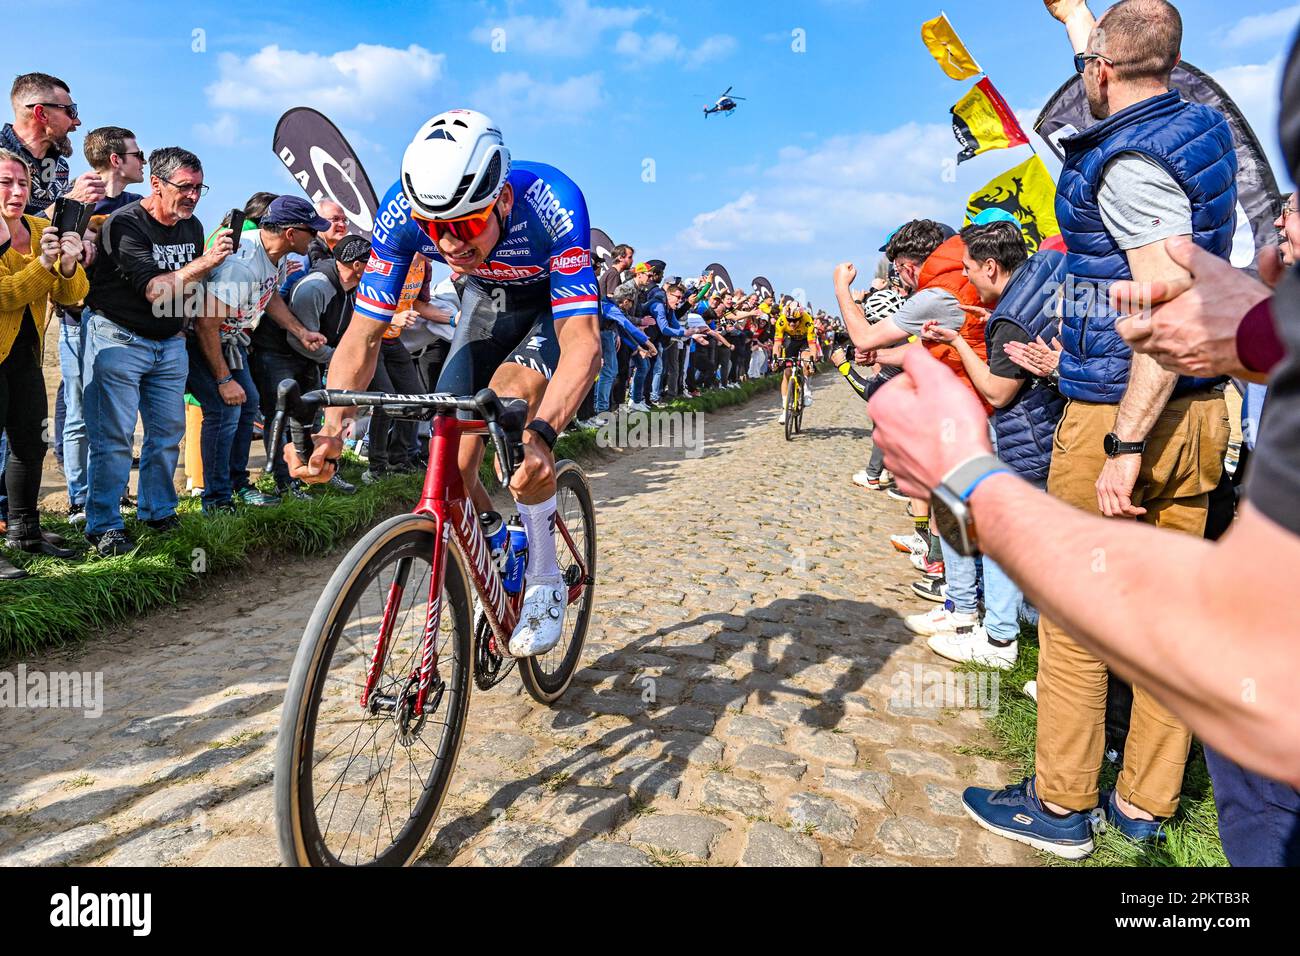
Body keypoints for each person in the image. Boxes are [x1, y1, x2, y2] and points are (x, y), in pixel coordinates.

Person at [942, 0, 1238, 859]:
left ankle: (1062, 802)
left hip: (1127, 405)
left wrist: (1125, 444)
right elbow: (1115, 79)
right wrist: (1075, 21)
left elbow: (1165, 303)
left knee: (1078, 618)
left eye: (1090, 63)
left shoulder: (1129, 168)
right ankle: (1145, 804)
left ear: (1108, 70)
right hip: (1205, 408)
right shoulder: (1195, 124)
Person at [288, 109, 601, 659]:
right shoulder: (399, 213)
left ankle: (548, 579)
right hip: (487, 302)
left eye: (465, 226)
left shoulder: (552, 200)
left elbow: (582, 343)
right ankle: (498, 541)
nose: (450, 244)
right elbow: (362, 335)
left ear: (502, 200)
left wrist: (543, 437)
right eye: (435, 230)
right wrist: (333, 430)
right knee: (452, 450)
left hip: (548, 306)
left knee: (509, 401)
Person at [82, 146, 233, 555]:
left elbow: (186, 290)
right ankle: (104, 525)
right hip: (118, 337)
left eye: (200, 188)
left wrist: (187, 325)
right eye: (185, 187)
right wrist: (206, 262)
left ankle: (158, 512)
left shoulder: (192, 225)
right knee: (114, 438)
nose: (194, 196)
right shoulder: (124, 224)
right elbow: (154, 289)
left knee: (167, 432)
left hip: (168, 344)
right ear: (156, 183)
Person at [189, 195, 328, 513]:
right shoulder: (243, 262)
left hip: (229, 339)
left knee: (248, 403)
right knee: (224, 411)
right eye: (312, 230)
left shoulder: (273, 254)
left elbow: (270, 298)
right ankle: (216, 500)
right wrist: (224, 379)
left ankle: (237, 485)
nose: (316, 237)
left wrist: (301, 332)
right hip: (203, 340)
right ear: (291, 233)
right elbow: (205, 324)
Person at [0, 150, 88, 579]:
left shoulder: (39, 230)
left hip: (23, 354)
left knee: (29, 443)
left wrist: (69, 264)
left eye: (23, 183)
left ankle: (24, 530)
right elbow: (6, 295)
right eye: (5, 182)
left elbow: (72, 298)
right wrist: (46, 264)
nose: (17, 192)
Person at [56, 126, 148, 525]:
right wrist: (79, 221)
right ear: (116, 160)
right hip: (77, 320)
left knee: (114, 418)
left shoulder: (139, 204)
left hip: (118, 323)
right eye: (138, 154)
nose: (143, 161)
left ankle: (110, 494)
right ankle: (79, 500)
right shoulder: (74, 199)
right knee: (78, 411)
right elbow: (57, 249)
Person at [254, 233, 372, 498]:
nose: (376, 269)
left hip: (309, 357)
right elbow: (298, 339)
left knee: (315, 416)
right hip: (280, 352)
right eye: (371, 263)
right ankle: (285, 482)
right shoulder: (317, 287)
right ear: (356, 265)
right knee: (281, 416)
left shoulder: (353, 287)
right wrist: (341, 359)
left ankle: (323, 470)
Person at [3, 73, 104, 215]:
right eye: (71, 111)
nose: (77, 122)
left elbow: (54, 227)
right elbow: (9, 229)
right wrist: (68, 201)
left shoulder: (60, 166)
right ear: (41, 114)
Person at [774, 301, 820, 423]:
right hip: (791, 340)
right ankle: (785, 409)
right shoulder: (782, 321)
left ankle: (806, 389)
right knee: (787, 372)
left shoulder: (807, 320)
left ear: (801, 317)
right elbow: (777, 344)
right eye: (789, 320)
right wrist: (775, 359)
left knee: (806, 361)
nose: (792, 323)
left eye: (795, 320)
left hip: (805, 340)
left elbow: (812, 346)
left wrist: (811, 359)